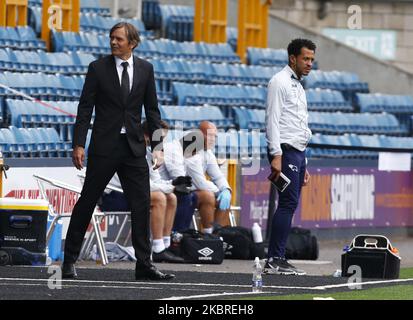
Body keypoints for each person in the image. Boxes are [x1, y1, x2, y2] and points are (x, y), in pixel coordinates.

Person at [62, 22, 174, 281]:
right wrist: (78, 143)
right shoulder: (97, 68)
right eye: (111, 38)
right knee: (87, 202)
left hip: (133, 147)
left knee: (141, 204)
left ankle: (144, 265)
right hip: (104, 146)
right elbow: (85, 107)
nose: (113, 42)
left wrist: (157, 147)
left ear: (132, 43)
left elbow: (153, 111)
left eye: (119, 39)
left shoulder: (146, 69)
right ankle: (69, 261)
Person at [265, 38, 315, 275]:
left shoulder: (299, 85)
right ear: (292, 58)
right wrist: (276, 155)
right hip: (284, 150)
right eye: (305, 58)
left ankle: (278, 257)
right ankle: (275, 259)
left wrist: (305, 162)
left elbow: (299, 125)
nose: (309, 63)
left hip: (297, 152)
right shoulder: (279, 81)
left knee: (290, 203)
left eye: (312, 59)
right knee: (287, 203)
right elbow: (272, 120)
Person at [184, 121, 232, 233]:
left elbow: (218, 177)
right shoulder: (190, 150)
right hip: (183, 192)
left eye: (214, 136)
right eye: (209, 136)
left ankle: (217, 236)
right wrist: (218, 190)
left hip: (197, 191)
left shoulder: (208, 153)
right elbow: (200, 184)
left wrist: (226, 189)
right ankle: (207, 235)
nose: (212, 139)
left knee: (225, 198)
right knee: (208, 195)